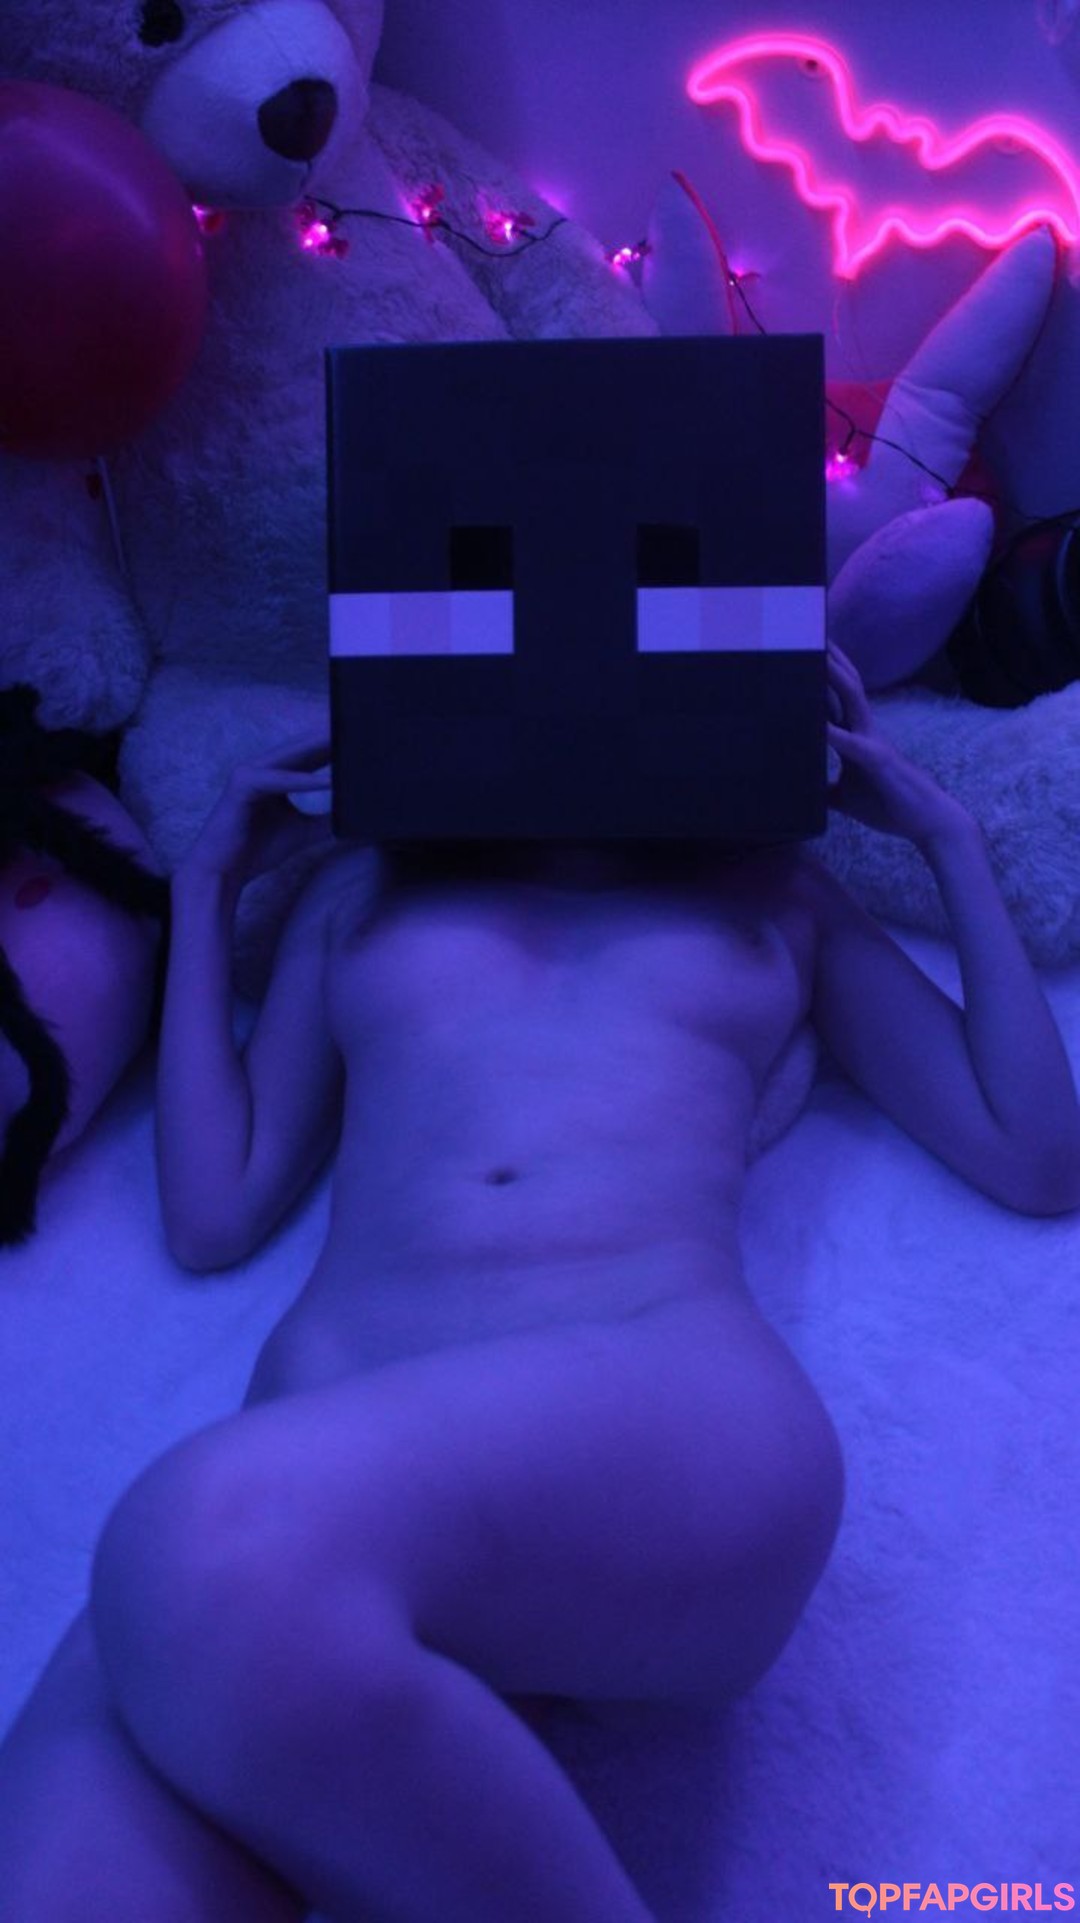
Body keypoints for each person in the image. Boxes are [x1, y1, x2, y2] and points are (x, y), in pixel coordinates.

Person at [2, 640, 1079, 1923]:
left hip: (660, 1412)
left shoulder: (777, 893)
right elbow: (213, 1207)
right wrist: (208, 884)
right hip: (326, 1483)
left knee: (195, 1554)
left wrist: (945, 839)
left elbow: (1034, 1153)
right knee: (54, 1864)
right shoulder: (362, 887)